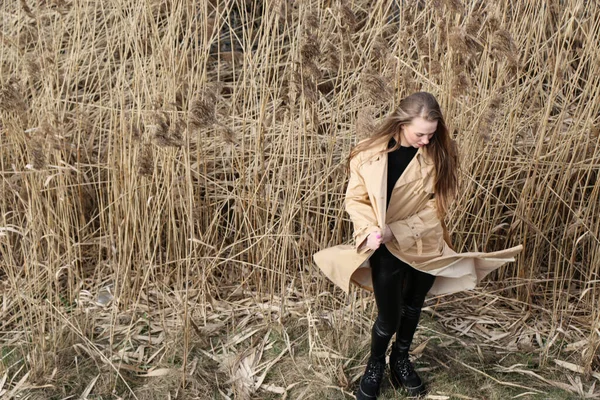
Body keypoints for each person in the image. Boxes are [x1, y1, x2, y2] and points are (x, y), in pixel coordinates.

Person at [313, 92, 523, 399]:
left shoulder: (440, 155)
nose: (426, 139)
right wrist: (369, 230)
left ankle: (400, 360)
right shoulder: (367, 154)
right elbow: (355, 199)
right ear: (401, 123)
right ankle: (375, 366)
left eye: (432, 133)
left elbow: (437, 209)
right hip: (383, 246)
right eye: (420, 133)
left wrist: (394, 230)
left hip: (424, 243)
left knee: (413, 306)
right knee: (388, 315)